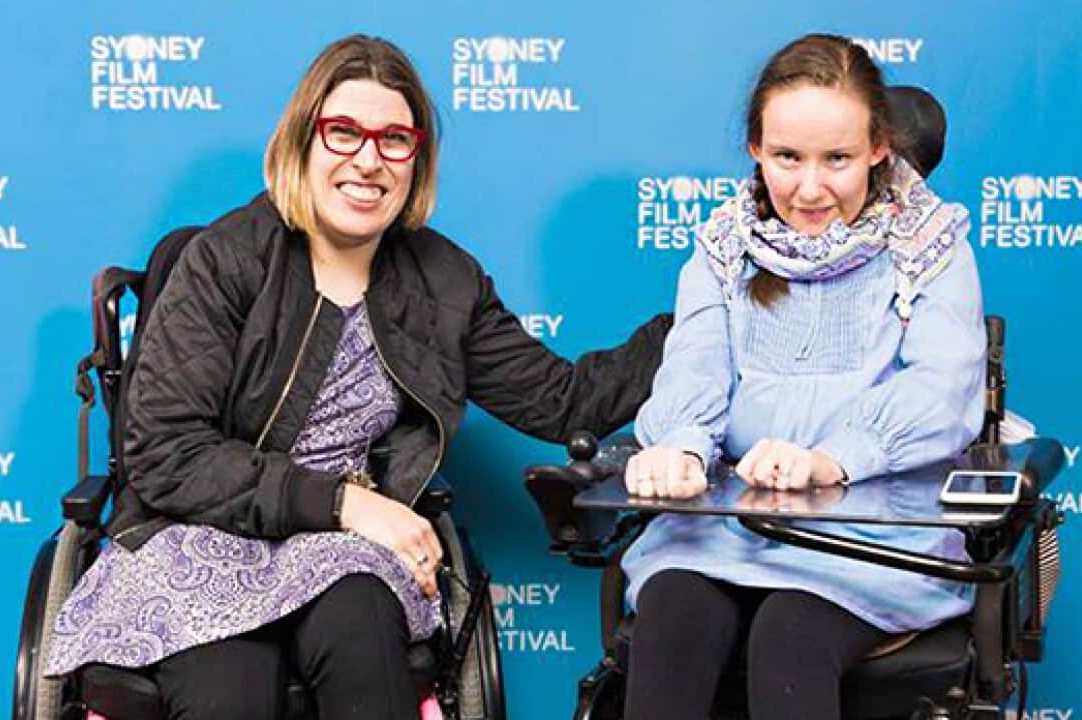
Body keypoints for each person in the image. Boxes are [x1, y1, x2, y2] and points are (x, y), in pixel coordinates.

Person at [43, 34, 670, 720]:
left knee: (365, 633)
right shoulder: (223, 261)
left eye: (394, 139)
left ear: (416, 159)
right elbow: (167, 453)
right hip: (198, 535)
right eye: (344, 132)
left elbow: (564, 402)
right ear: (303, 140)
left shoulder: (444, 281)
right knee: (230, 686)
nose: (368, 160)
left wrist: (705, 318)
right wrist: (347, 502)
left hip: (344, 556)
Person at [619, 34, 986, 720]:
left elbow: (943, 387)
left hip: (869, 539)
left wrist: (832, 459)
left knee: (789, 635)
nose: (809, 187)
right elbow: (695, 365)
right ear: (755, 148)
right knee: (671, 615)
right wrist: (680, 445)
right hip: (726, 528)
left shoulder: (929, 245)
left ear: (879, 147)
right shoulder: (723, 247)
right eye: (788, 157)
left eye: (837, 160)